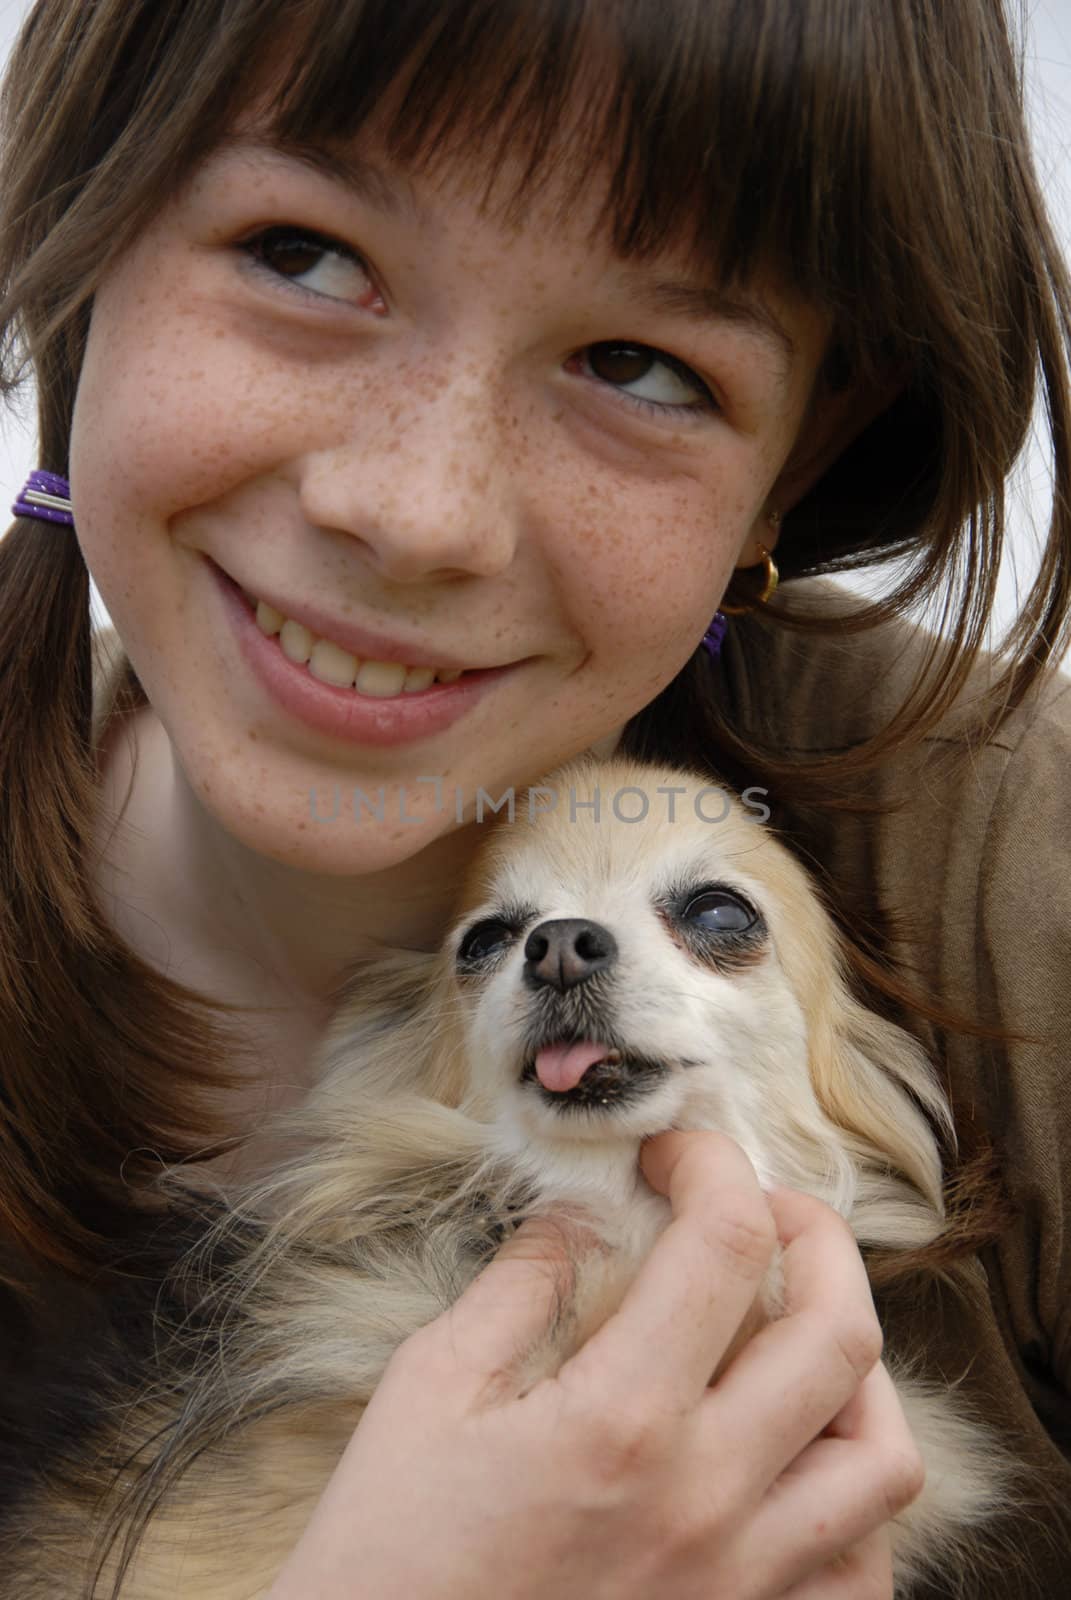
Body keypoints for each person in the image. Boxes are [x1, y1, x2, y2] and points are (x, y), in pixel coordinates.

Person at [0, 1, 1068, 1595]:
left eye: (637, 366)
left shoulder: (1011, 847)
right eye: (301, 254)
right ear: (86, 229)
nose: (418, 514)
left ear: (801, 450)